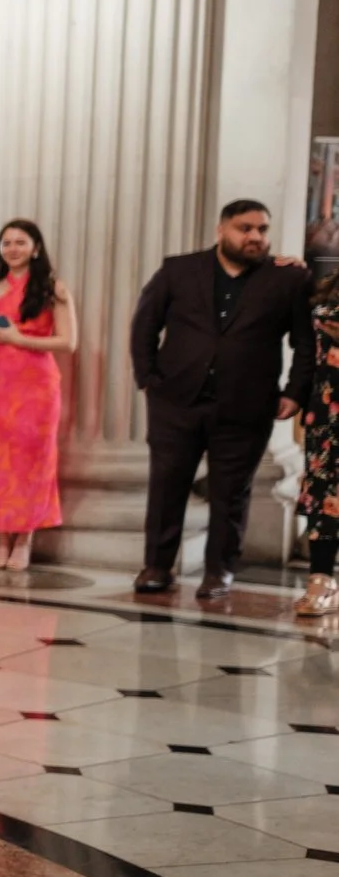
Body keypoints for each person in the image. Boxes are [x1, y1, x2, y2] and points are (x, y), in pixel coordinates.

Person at [129, 199, 313, 599]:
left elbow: (305, 343)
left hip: (247, 404)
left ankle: (219, 572)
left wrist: (295, 392)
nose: (255, 237)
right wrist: (148, 379)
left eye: (262, 229)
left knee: (231, 492)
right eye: (244, 228)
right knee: (166, 487)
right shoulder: (178, 270)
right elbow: (145, 322)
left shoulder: (288, 279)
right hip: (176, 401)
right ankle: (157, 566)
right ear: (221, 230)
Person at [0, 221, 77, 572]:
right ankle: (0, 540)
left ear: (36, 248)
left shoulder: (52, 289)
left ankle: (25, 539)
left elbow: (68, 342)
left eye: (20, 242)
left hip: (36, 387)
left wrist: (19, 339)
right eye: (6, 243)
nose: (12, 248)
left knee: (32, 460)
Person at [294, 269, 339, 618]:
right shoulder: (326, 287)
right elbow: (308, 354)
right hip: (326, 412)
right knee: (322, 495)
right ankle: (321, 578)